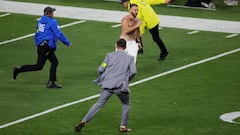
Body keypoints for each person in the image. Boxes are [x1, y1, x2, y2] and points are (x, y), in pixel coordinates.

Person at [75, 39, 136, 133]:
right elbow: (133, 72)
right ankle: (123, 126)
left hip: (107, 85)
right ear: (125, 47)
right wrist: (127, 81)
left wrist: (102, 79)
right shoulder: (130, 58)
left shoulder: (109, 56)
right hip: (120, 86)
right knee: (125, 104)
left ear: (116, 46)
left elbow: (100, 69)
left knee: (98, 104)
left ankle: (84, 121)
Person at [13, 6, 72, 88]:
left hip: (42, 45)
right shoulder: (53, 22)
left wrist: (38, 44)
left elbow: (37, 34)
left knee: (51, 63)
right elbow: (59, 34)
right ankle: (50, 82)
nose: (53, 14)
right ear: (48, 14)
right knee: (40, 65)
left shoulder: (40, 21)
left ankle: (51, 81)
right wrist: (67, 42)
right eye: (52, 12)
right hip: (46, 46)